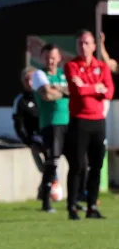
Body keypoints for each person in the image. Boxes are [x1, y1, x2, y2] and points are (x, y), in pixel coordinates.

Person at [65, 30, 114, 220]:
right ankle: (72, 207)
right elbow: (77, 89)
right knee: (77, 165)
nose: (83, 47)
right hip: (79, 120)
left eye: (87, 43)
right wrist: (96, 88)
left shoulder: (102, 67)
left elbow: (109, 91)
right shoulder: (71, 66)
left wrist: (87, 87)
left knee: (96, 165)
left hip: (98, 121)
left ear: (94, 46)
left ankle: (92, 206)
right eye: (80, 43)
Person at [31, 44, 70, 213]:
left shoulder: (64, 73)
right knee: (52, 163)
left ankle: (76, 199)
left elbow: (74, 90)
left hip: (69, 122)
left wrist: (58, 89)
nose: (50, 61)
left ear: (59, 57)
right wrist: (65, 91)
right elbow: (46, 95)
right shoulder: (39, 74)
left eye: (53, 57)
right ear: (42, 58)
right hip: (51, 124)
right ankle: (45, 200)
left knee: (79, 162)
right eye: (47, 57)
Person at [12, 67, 48, 195]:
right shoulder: (21, 101)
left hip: (49, 136)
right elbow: (18, 125)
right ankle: (45, 194)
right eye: (27, 80)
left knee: (52, 166)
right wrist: (29, 142)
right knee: (45, 168)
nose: (30, 83)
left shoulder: (46, 96)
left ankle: (45, 192)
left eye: (32, 79)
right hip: (34, 140)